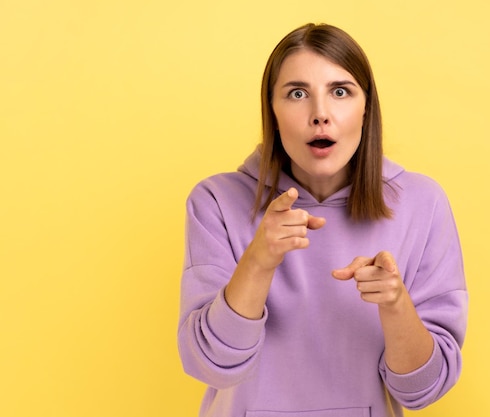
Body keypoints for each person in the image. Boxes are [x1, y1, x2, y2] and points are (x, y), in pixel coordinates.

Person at [178, 23, 468, 417]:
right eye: (297, 94)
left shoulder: (422, 203)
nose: (320, 114)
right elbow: (210, 364)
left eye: (340, 91)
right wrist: (259, 259)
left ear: (366, 109)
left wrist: (396, 304)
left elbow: (423, 389)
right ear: (273, 113)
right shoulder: (216, 201)